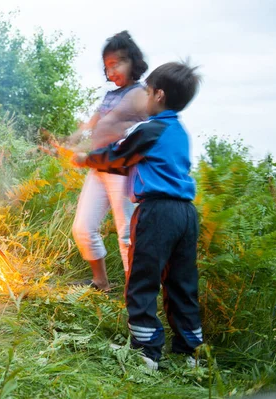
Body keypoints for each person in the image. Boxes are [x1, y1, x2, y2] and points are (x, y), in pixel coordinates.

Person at [72, 61, 203, 370]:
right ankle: (190, 353)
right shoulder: (180, 131)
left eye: (145, 92)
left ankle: (146, 351)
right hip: (186, 214)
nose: (143, 98)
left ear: (158, 94)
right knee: (183, 283)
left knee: (142, 280)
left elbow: (119, 157)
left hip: (156, 212)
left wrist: (86, 159)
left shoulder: (150, 128)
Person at [68, 31, 148, 290]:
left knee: (127, 234)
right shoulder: (110, 95)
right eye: (107, 67)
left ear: (133, 62)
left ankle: (133, 296)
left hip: (123, 171)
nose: (111, 71)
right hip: (98, 168)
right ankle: (101, 282)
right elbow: (94, 121)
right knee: (82, 227)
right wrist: (76, 136)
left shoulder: (141, 94)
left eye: (117, 64)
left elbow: (144, 130)